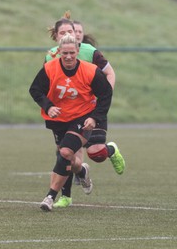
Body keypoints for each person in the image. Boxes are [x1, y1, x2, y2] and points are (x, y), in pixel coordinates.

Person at [45, 15, 125, 209]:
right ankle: (68, 195)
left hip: (90, 111)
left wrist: (102, 101)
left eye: (71, 32)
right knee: (67, 156)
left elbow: (110, 74)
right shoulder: (51, 56)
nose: (67, 35)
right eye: (62, 33)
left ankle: (111, 150)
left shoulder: (89, 52)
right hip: (66, 114)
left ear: (77, 35)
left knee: (95, 153)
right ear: (56, 37)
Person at [29, 33, 112, 211]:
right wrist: (49, 106)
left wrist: (94, 118)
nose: (68, 56)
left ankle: (50, 197)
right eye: (64, 53)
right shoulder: (50, 68)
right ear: (59, 51)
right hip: (59, 119)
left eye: (71, 53)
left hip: (82, 116)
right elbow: (35, 90)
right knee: (69, 159)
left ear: (77, 51)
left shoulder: (90, 71)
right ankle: (81, 171)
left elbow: (105, 94)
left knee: (65, 152)